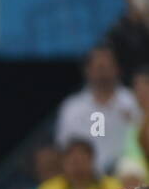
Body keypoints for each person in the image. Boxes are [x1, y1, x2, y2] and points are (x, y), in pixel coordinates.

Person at [55, 46, 140, 175]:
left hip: (129, 181)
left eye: (107, 67)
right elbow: (63, 146)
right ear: (88, 70)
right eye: (99, 67)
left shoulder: (135, 102)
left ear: (117, 68)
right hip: (87, 181)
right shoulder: (72, 108)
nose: (103, 73)